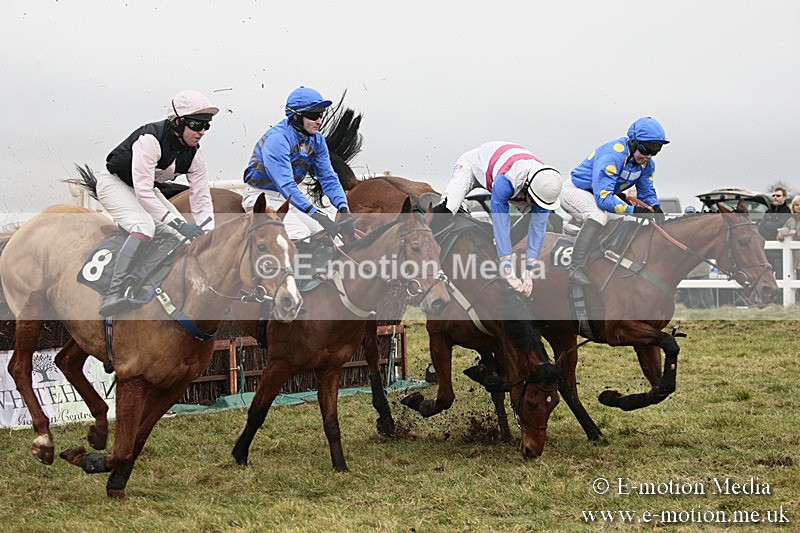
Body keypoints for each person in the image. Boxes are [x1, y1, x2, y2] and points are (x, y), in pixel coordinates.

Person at [94, 89, 218, 316]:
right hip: (115, 185)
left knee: (182, 237)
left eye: (206, 126)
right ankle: (114, 291)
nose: (201, 132)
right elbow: (143, 193)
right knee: (145, 227)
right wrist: (180, 224)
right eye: (196, 125)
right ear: (177, 122)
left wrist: (209, 233)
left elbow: (201, 198)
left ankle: (146, 283)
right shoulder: (150, 139)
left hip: (146, 189)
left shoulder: (195, 155)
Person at [431, 142, 563, 296]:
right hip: (473, 166)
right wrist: (508, 270)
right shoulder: (505, 182)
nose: (535, 204)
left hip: (507, 169)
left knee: (539, 218)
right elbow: (501, 224)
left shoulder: (546, 188)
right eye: (534, 200)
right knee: (450, 208)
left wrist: (529, 271)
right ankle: (415, 224)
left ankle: (495, 255)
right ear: (528, 186)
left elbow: (537, 229)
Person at [561, 116, 669, 285]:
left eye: (655, 151)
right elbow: (603, 199)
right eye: (646, 149)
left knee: (629, 221)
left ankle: (609, 260)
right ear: (633, 143)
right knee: (598, 215)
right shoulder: (612, 156)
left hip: (598, 196)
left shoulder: (647, 166)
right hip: (575, 191)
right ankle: (576, 267)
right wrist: (633, 209)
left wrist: (655, 207)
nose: (648, 156)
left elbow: (646, 193)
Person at [241, 86, 354, 241]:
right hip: (261, 197)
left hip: (289, 199)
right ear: (295, 117)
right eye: (313, 115)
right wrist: (316, 214)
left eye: (321, 114)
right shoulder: (277, 140)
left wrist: (343, 207)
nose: (319, 121)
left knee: (330, 237)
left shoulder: (317, 140)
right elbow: (285, 184)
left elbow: (328, 177)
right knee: (300, 234)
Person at [777, 194, 800, 281]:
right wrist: (781, 235)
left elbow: (796, 233)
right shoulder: (790, 220)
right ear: (793, 207)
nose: (799, 207)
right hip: (795, 257)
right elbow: (781, 234)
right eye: (796, 205)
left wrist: (796, 233)